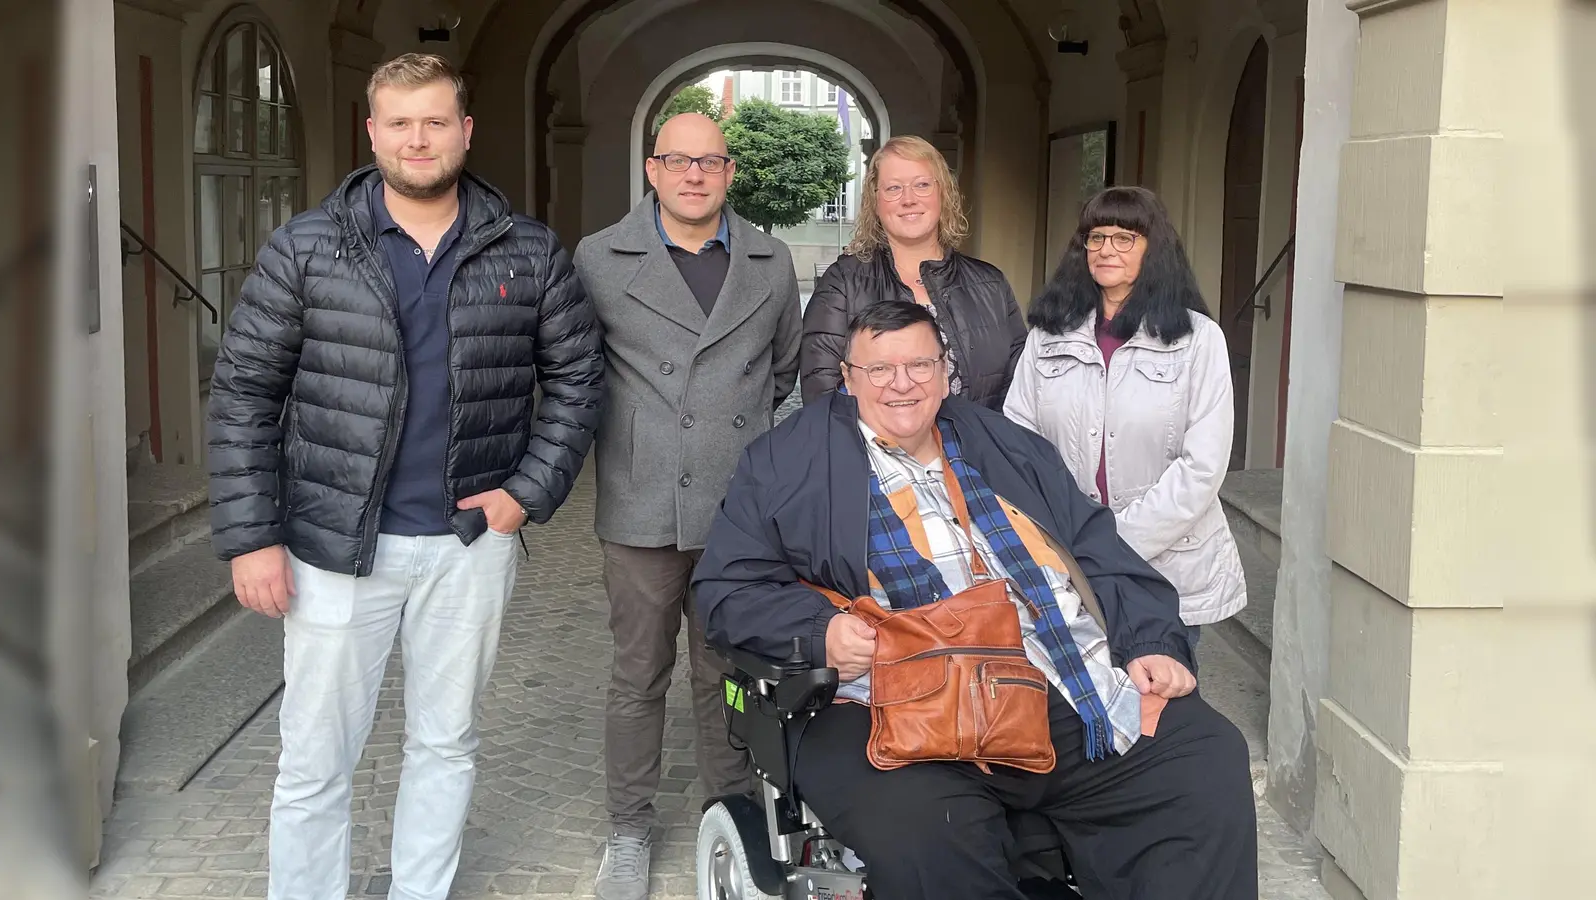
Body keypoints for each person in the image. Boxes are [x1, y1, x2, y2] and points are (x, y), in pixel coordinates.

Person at [693, 301, 1257, 900]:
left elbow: (1096, 545)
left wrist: (1150, 639)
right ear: (849, 378)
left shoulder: (1004, 443)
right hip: (893, 710)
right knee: (930, 833)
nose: (902, 384)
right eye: (880, 369)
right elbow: (725, 590)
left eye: (919, 364)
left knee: (1205, 757)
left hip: (1055, 685)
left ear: (945, 372)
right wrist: (819, 632)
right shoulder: (786, 462)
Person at [205, 53, 603, 900]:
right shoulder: (309, 246)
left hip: (467, 545)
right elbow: (243, 391)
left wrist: (527, 492)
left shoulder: (526, 250)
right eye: (399, 122)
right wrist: (252, 536)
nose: (416, 139)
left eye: (434, 122)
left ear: (464, 130)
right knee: (315, 759)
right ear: (372, 131)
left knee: (446, 742)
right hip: (332, 545)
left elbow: (578, 379)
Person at [572, 111, 801, 900]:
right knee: (638, 674)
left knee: (726, 674)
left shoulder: (770, 262)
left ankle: (728, 815)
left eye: (710, 162)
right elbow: (578, 373)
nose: (694, 174)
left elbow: (783, 372)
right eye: (679, 160)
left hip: (739, 513)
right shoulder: (601, 258)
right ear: (652, 169)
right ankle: (628, 830)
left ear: (729, 173)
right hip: (641, 507)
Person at [1004, 186, 1246, 638]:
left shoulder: (1199, 340)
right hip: (1065, 558)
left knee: (1161, 697)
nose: (1105, 250)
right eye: (1096, 238)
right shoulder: (1048, 335)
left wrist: (1113, 542)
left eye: (1124, 238)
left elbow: (1202, 467)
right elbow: (1020, 443)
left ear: (1153, 249)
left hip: (1165, 566)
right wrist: (1065, 532)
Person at [800, 135, 1026, 410]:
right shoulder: (843, 284)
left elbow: (1021, 391)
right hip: (873, 452)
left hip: (980, 450)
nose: (908, 199)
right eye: (894, 188)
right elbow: (823, 392)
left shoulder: (991, 284)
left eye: (922, 185)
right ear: (876, 201)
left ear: (943, 193)